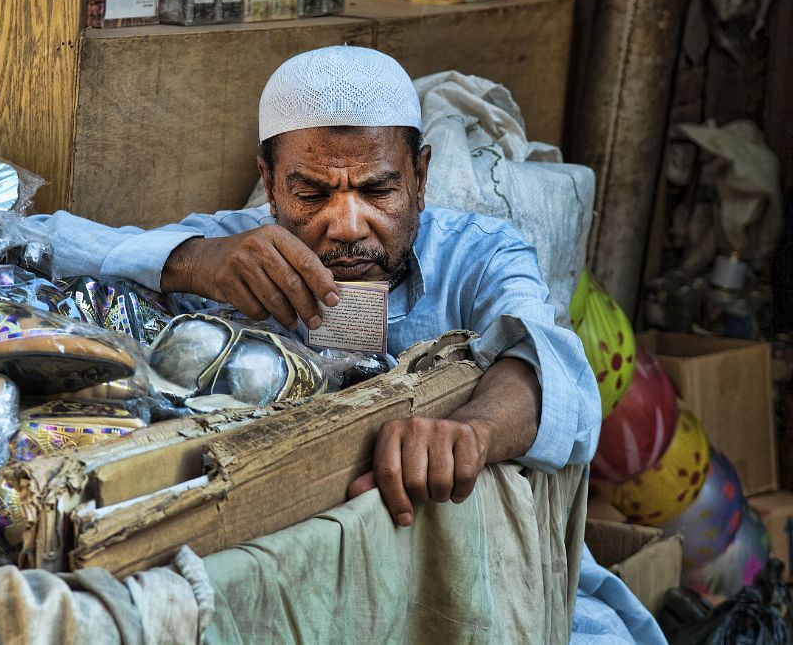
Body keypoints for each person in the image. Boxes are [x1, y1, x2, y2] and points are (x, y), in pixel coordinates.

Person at [42, 45, 601, 526]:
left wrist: (471, 433)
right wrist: (191, 262)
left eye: (379, 191)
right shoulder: (232, 247)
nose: (348, 226)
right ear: (269, 183)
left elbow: (548, 367)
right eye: (311, 195)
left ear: (420, 177)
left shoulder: (479, 254)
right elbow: (37, 239)